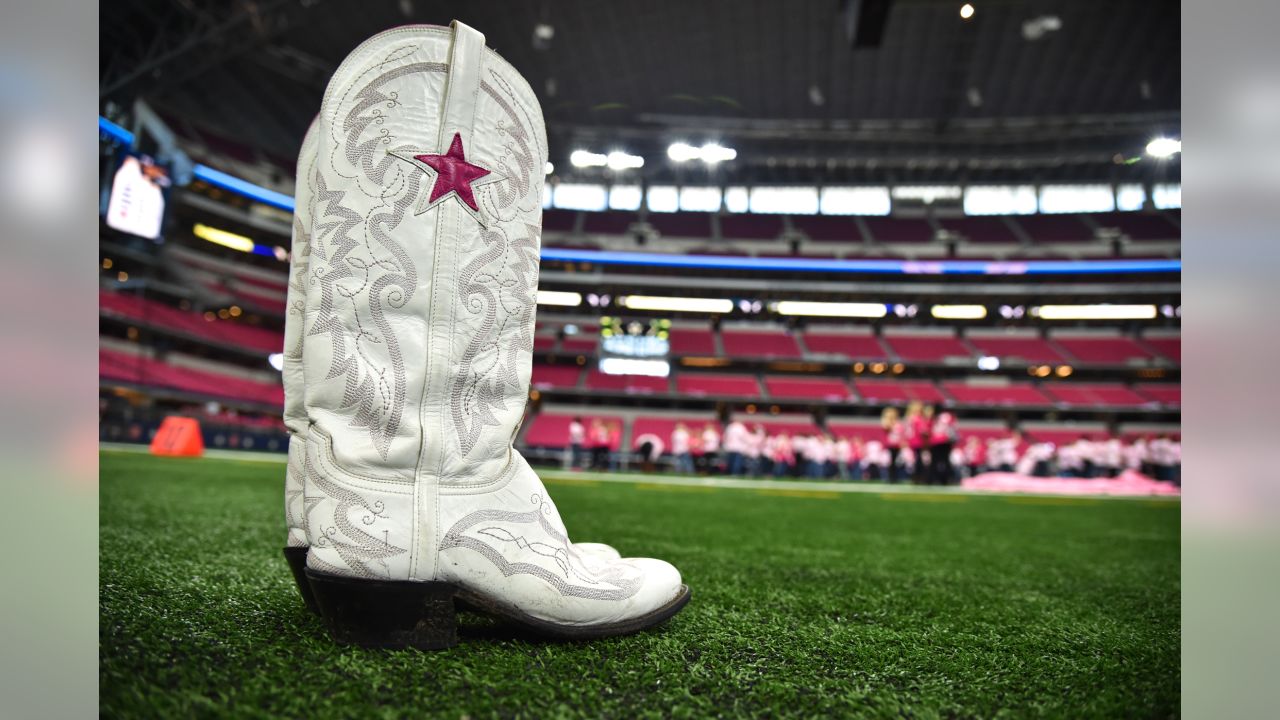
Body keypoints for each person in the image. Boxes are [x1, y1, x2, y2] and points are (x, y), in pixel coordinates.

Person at [928, 410, 957, 485]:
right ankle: (946, 479)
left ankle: (934, 479)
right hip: (945, 442)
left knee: (936, 462)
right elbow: (952, 429)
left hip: (937, 442)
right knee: (945, 461)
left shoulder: (936, 418)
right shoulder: (949, 417)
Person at [881, 407, 905, 484]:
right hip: (890, 445)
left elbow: (901, 434)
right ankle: (891, 477)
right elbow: (885, 427)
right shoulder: (888, 423)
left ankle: (895, 477)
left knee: (896, 462)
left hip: (897, 445)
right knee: (891, 462)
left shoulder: (898, 424)